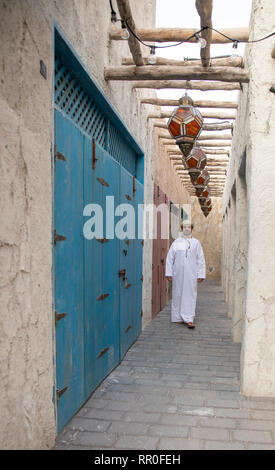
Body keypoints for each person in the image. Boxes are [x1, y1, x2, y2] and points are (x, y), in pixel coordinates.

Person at [165, 221, 205, 329]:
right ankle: (177, 317)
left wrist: (201, 274)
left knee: (190, 295)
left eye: (189, 227)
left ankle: (189, 318)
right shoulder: (176, 243)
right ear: (182, 229)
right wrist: (169, 273)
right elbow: (170, 258)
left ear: (192, 229)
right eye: (184, 227)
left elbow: (200, 259)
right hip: (177, 274)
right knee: (177, 294)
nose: (187, 229)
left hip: (191, 274)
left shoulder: (196, 243)